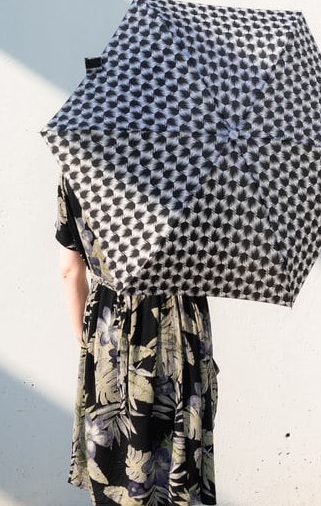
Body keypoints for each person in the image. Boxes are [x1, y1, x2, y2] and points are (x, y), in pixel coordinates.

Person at [56, 173, 219, 506]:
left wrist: (85, 336)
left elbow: (70, 269)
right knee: (175, 455)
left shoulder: (80, 166)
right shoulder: (196, 162)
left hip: (110, 326)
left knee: (115, 455)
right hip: (179, 321)